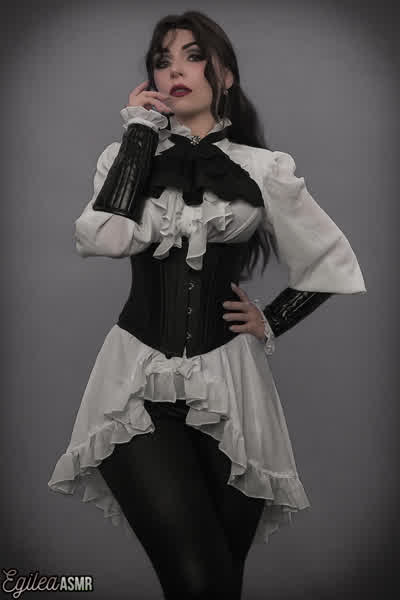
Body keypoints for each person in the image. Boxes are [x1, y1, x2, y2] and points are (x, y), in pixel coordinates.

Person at [48, 10, 367, 600]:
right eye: (162, 61)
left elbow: (331, 262)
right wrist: (141, 133)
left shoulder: (263, 169)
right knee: (196, 580)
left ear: (226, 75)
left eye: (193, 56)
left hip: (234, 392)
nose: (175, 71)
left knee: (219, 585)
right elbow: (104, 238)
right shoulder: (124, 157)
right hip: (135, 386)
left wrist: (273, 318)